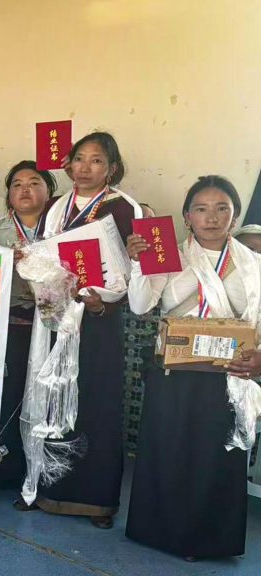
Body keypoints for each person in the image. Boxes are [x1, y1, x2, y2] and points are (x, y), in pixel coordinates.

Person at [125, 176, 259, 560]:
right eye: (201, 209)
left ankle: (209, 539)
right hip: (175, 368)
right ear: (187, 216)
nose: (211, 217)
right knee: (169, 448)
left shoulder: (254, 264)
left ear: (234, 217)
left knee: (216, 455)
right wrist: (139, 264)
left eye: (222, 209)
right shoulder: (168, 253)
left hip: (228, 370)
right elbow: (139, 305)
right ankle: (157, 532)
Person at [18, 131, 143, 528]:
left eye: (96, 161)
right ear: (68, 164)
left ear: (112, 168)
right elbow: (46, 259)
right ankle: (43, 487)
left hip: (100, 322)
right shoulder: (57, 207)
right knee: (49, 397)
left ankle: (97, 501)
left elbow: (133, 269)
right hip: (57, 317)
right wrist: (31, 262)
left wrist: (103, 300)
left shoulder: (125, 208)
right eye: (79, 159)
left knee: (95, 404)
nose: (85, 168)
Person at [0, 161, 57, 490]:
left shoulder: (60, 229)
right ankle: (5, 469)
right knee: (8, 397)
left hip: (49, 325)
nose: (25, 190)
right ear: (8, 194)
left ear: (48, 191)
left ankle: (42, 469)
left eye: (34, 182)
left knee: (44, 396)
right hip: (7, 324)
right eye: (17, 184)